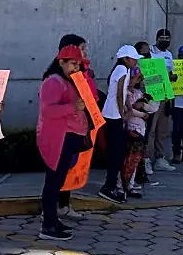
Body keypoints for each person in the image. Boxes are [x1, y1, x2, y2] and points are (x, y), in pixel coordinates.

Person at [36, 45, 89, 241]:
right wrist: (72, 107)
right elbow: (47, 111)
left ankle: (52, 221)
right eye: (73, 63)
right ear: (61, 62)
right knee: (53, 183)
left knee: (58, 182)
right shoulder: (54, 81)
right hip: (57, 139)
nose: (76, 67)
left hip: (67, 138)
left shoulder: (69, 80)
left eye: (78, 64)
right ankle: (48, 225)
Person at [98, 45, 143, 204]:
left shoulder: (120, 69)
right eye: (134, 58)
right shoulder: (123, 70)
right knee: (116, 153)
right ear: (126, 58)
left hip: (113, 114)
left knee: (117, 152)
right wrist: (123, 113)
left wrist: (126, 107)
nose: (136, 61)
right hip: (113, 116)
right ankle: (109, 186)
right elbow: (118, 93)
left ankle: (113, 185)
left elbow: (121, 94)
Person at [56, 34, 93, 220]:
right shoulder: (56, 78)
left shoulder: (80, 72)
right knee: (59, 172)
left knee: (71, 168)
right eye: (81, 48)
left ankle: (64, 204)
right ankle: (51, 213)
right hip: (63, 133)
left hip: (77, 128)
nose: (84, 53)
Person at [122, 68, 153, 198]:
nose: (138, 80)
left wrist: (147, 104)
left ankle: (131, 183)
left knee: (136, 159)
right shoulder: (125, 93)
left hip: (141, 129)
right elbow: (128, 109)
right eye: (136, 77)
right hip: (130, 129)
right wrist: (140, 112)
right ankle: (124, 185)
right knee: (128, 159)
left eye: (140, 78)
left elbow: (150, 109)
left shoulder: (139, 93)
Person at [148, 29, 176, 172]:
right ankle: (146, 159)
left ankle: (159, 158)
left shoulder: (169, 54)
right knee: (151, 128)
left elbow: (169, 72)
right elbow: (148, 75)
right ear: (157, 38)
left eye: (167, 37)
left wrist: (171, 78)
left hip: (166, 94)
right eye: (162, 37)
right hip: (153, 94)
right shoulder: (150, 53)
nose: (165, 40)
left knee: (162, 129)